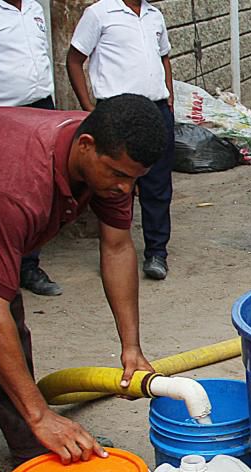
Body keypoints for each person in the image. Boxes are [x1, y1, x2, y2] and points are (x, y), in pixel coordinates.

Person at [0, 95, 165, 472]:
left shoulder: (107, 166)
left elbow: (118, 247)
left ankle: (33, 445)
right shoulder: (14, 188)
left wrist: (131, 348)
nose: (125, 187)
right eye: (119, 175)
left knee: (8, 334)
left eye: (134, 179)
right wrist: (42, 412)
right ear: (85, 145)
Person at [67, 0, 175, 281]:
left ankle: (157, 252)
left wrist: (169, 98)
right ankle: (115, 248)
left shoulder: (154, 15)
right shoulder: (99, 14)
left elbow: (164, 57)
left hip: (156, 110)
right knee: (114, 187)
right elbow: (75, 59)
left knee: (158, 185)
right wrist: (87, 106)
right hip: (116, 113)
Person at [0, 0, 64, 297]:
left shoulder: (33, 8)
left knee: (40, 188)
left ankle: (28, 266)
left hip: (41, 107)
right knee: (1, 192)